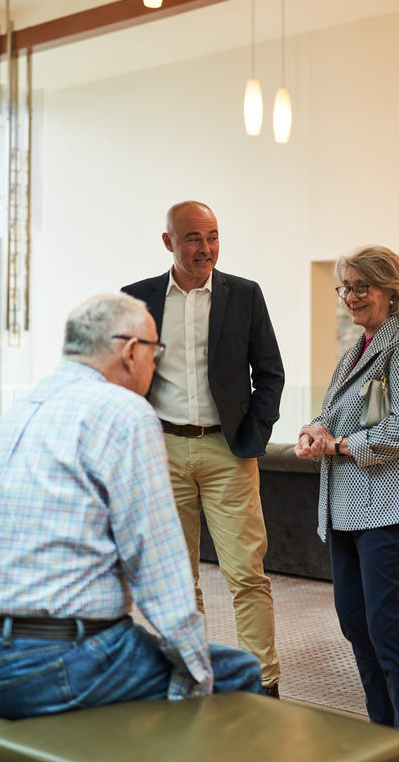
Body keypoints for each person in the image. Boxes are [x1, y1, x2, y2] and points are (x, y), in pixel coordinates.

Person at [0, 294, 261, 717]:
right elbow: (158, 567)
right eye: (155, 351)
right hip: (40, 665)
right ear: (131, 352)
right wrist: (196, 674)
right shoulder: (125, 411)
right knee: (237, 670)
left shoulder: (19, 411)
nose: (155, 365)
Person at [122, 200, 284, 698]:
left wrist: (253, 433)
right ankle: (191, 674)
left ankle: (263, 684)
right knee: (177, 578)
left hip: (227, 452)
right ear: (169, 242)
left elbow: (270, 372)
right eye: (193, 238)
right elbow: (123, 375)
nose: (205, 248)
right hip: (163, 450)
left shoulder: (245, 295)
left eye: (212, 236)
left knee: (247, 574)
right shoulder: (136, 300)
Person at [296, 245, 399, 755]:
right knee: (356, 624)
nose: (351, 297)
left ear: (393, 290)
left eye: (363, 287)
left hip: (386, 507)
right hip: (344, 510)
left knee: (391, 634)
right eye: (346, 287)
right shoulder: (357, 347)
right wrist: (317, 430)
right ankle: (385, 740)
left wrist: (338, 445)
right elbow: (334, 413)